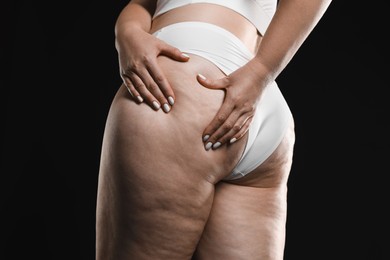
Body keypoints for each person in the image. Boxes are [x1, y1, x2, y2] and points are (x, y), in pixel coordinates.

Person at [96, 0, 332, 259]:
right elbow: (144, 4)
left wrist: (261, 71)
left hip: (183, 86)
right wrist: (127, 32)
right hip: (259, 107)